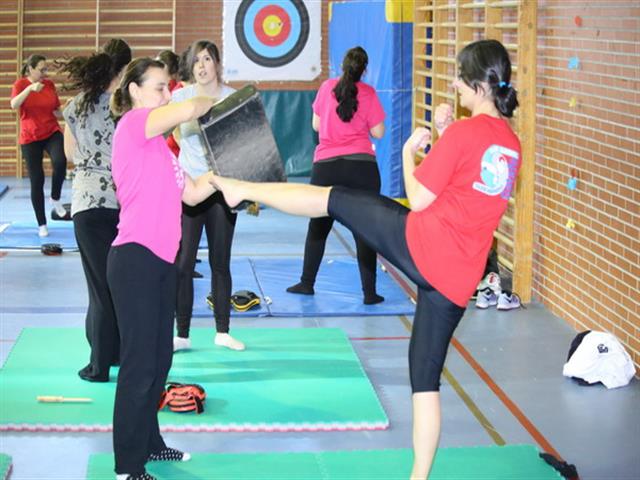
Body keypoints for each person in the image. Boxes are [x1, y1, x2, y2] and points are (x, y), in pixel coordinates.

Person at [211, 39, 521, 479]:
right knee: (425, 380)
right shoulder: (511, 143)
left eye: (457, 77)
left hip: (423, 245)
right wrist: (446, 136)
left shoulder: (467, 133)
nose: (453, 83)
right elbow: (465, 188)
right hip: (458, 277)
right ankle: (419, 476)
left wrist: (408, 151)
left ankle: (244, 189)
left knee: (331, 199)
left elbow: (419, 198)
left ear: (475, 83)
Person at [108, 57, 220, 480]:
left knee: (159, 361)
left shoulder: (162, 148)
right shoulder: (134, 126)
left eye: (166, 88)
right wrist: (219, 98)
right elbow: (190, 108)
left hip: (159, 264)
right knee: (138, 366)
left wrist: (226, 178)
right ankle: (127, 466)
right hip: (133, 260)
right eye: (158, 87)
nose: (166, 94)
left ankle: (151, 445)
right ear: (135, 90)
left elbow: (191, 195)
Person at [286, 46, 386, 305]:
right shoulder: (369, 93)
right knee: (365, 231)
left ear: (342, 66)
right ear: (364, 70)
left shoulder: (326, 87)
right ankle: (369, 293)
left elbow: (316, 125)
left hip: (327, 167)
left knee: (318, 227)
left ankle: (307, 283)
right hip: (362, 168)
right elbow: (378, 132)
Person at [59, 38, 132, 382]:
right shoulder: (125, 108)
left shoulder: (74, 106)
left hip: (86, 203)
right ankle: (112, 355)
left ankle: (99, 364)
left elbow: (70, 155)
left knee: (98, 287)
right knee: (116, 284)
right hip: (121, 201)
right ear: (124, 70)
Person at [171, 40, 244, 352]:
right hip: (190, 188)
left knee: (220, 261)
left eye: (207, 59)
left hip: (221, 188)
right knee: (183, 261)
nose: (201, 66)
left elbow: (244, 144)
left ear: (217, 64)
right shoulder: (181, 97)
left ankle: (223, 331)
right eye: (196, 60)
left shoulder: (232, 98)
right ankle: (182, 334)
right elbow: (173, 134)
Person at [10, 54, 67, 237]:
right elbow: (13, 104)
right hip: (30, 137)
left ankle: (55, 198)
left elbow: (56, 111)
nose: (45, 73)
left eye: (46, 69)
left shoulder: (49, 85)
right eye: (41, 70)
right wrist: (29, 90)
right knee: (37, 180)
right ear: (31, 69)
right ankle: (42, 224)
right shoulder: (20, 84)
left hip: (51, 131)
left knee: (60, 162)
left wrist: (71, 112)